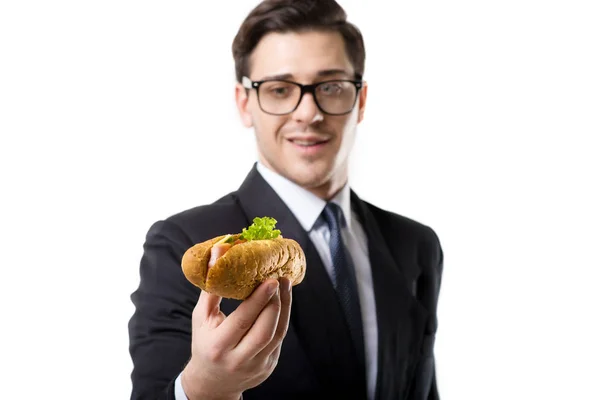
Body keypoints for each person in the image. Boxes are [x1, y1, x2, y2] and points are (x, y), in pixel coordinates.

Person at [127, 0, 444, 399]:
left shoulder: (416, 245)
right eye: (279, 90)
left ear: (360, 100)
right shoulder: (186, 245)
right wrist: (207, 387)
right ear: (245, 103)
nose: (308, 113)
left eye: (331, 86)